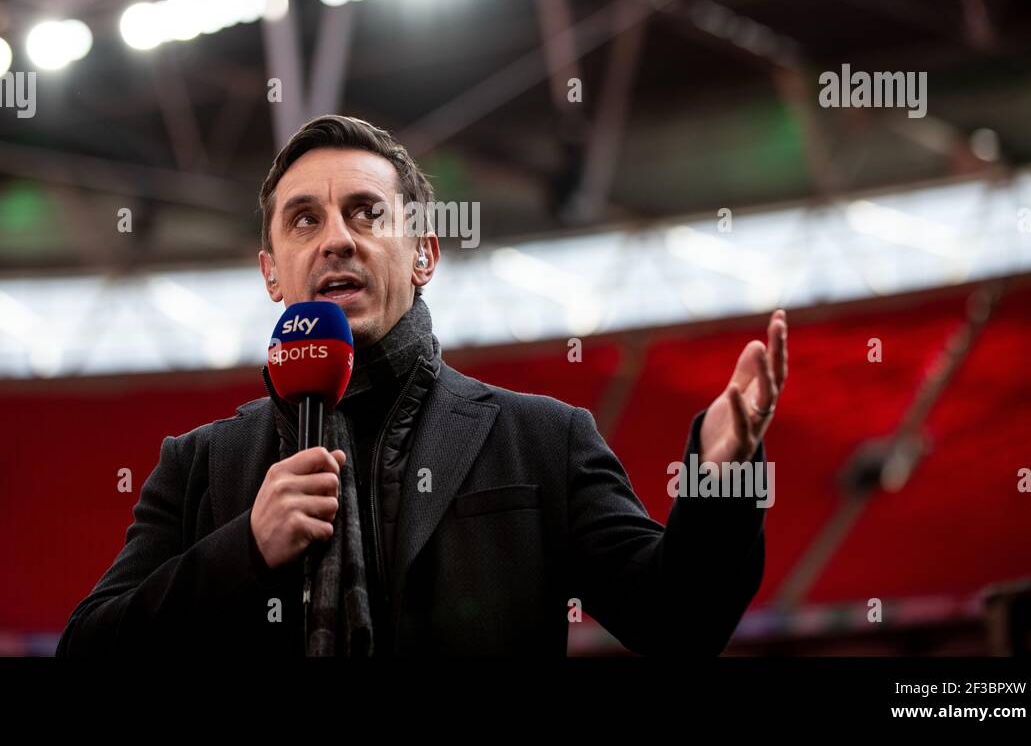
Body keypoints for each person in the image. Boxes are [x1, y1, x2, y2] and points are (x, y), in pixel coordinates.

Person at [56, 115, 786, 656]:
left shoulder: (541, 441)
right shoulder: (200, 468)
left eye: (367, 213)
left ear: (424, 255)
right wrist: (243, 549)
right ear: (272, 271)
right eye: (304, 220)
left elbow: (681, 624)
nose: (337, 238)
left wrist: (722, 476)